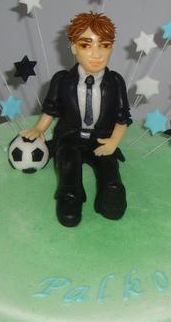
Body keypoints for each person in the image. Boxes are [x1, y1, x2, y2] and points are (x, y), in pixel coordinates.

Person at [23, 12, 132, 227]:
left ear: (111, 48)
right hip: (70, 138)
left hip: (101, 139)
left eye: (104, 45)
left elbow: (122, 118)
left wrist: (113, 142)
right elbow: (51, 110)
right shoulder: (62, 80)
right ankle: (70, 197)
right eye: (86, 45)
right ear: (73, 47)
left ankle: (110, 194)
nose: (96, 53)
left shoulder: (115, 81)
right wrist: (39, 129)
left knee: (110, 173)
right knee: (68, 168)